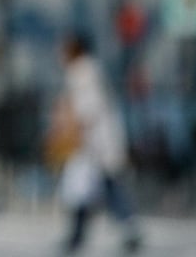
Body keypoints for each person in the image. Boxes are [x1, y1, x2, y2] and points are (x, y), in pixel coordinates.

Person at [57, 34, 143, 254]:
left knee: (101, 185)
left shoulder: (83, 73)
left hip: (97, 142)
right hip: (96, 142)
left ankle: (126, 229)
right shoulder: (89, 71)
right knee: (87, 188)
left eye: (64, 49)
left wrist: (71, 130)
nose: (60, 54)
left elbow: (88, 109)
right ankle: (80, 235)